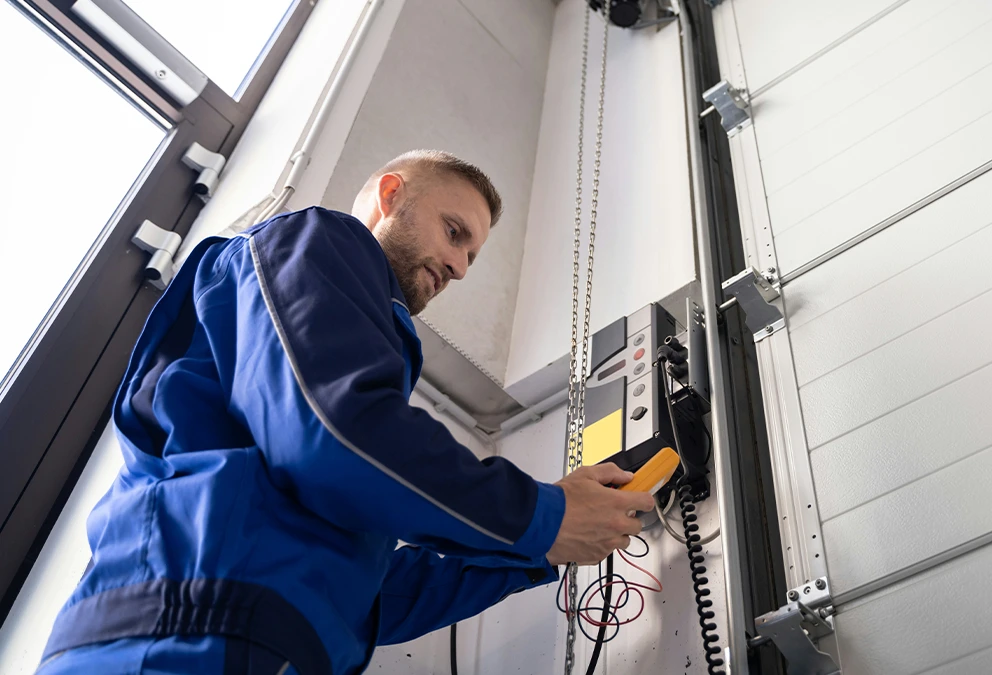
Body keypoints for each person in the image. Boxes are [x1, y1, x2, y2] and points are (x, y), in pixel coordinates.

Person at [38, 150, 653, 674]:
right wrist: (545, 516)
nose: (461, 268)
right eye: (455, 232)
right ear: (391, 195)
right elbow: (334, 432)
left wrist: (544, 550)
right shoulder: (315, 239)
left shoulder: (326, 443)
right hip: (185, 635)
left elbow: (373, 594)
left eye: (473, 257)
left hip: (246, 632)